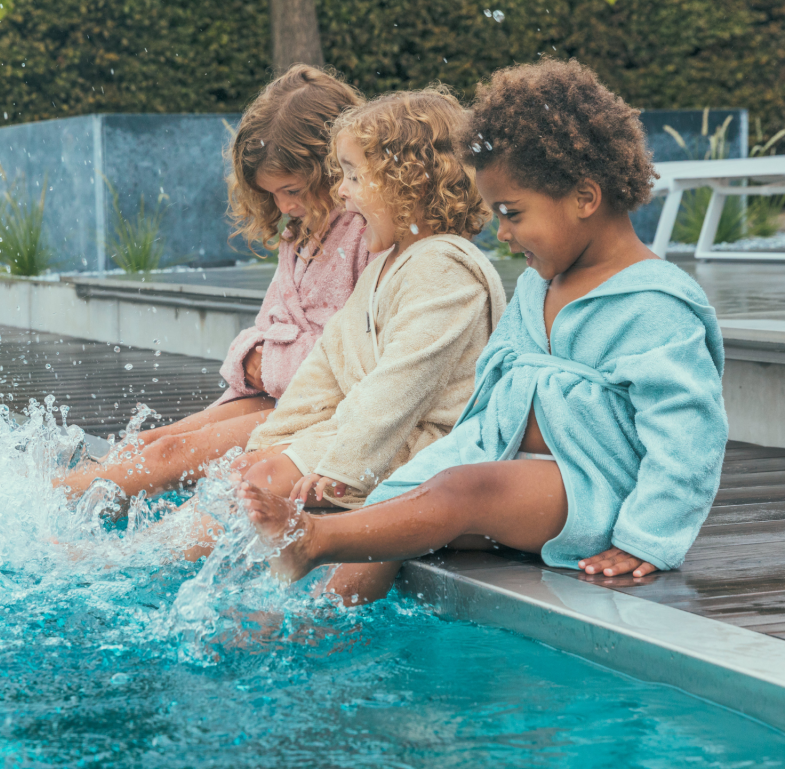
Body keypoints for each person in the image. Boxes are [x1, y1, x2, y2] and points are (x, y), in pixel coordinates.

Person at [235, 59, 729, 605]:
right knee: (394, 501)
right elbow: (488, 401)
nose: (504, 233)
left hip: (595, 491)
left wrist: (647, 538)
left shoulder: (654, 304)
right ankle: (318, 626)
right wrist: (413, 470)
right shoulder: (541, 289)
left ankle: (313, 541)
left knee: (461, 490)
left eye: (513, 213)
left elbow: (688, 436)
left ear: (585, 199)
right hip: (513, 467)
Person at [180, 86, 507, 583]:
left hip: (424, 446)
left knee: (267, 480)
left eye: (355, 176)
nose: (343, 191)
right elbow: (325, 371)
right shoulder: (387, 267)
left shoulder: (445, 268)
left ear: (407, 183)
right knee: (249, 470)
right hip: (369, 438)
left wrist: (344, 468)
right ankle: (201, 577)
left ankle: (169, 572)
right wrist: (274, 438)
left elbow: (399, 387)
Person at [61, 65, 372, 503]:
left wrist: (268, 364)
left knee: (171, 454)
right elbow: (268, 331)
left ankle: (55, 520)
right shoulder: (300, 235)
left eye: (293, 189)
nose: (284, 204)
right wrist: (250, 357)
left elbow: (357, 355)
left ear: (332, 168)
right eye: (272, 194)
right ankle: (52, 510)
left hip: (319, 411)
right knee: (148, 444)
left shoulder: (366, 233)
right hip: (279, 393)